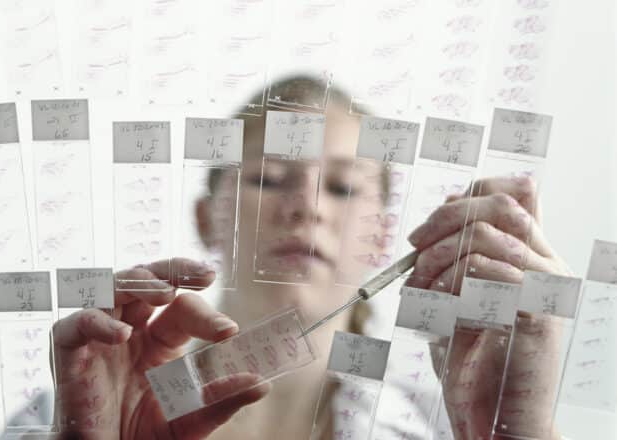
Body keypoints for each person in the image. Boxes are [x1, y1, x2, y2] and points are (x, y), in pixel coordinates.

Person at [50, 76, 571, 440]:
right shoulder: (79, 418)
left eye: (344, 188)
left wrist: (515, 431)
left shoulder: (444, 427)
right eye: (268, 180)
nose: (307, 207)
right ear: (208, 217)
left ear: (383, 238)